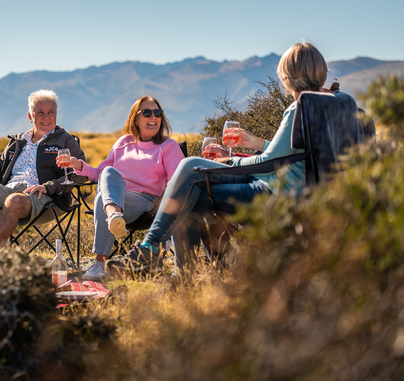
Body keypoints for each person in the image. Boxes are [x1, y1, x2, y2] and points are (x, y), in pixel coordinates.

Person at [106, 42, 330, 278]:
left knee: (191, 167)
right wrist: (253, 146)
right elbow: (290, 154)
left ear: (288, 76)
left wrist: (231, 163)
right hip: (300, 192)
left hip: (274, 193)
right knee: (196, 194)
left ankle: (154, 254)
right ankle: (196, 273)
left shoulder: (299, 108)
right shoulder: (326, 106)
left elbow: (270, 164)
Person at [58, 95, 185, 281]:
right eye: (147, 113)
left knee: (104, 198)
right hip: (117, 200)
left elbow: (178, 179)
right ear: (136, 118)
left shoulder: (168, 146)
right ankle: (114, 216)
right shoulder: (123, 143)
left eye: (157, 113)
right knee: (109, 173)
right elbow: (100, 173)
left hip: (147, 203)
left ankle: (100, 262)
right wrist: (78, 165)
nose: (153, 117)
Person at [0, 89, 85, 253]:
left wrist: (48, 187)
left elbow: (80, 174)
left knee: (14, 200)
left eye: (51, 112)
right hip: (7, 190)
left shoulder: (65, 140)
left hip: (41, 197)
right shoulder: (17, 141)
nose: (46, 117)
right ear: (30, 116)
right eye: (40, 112)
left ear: (56, 114)